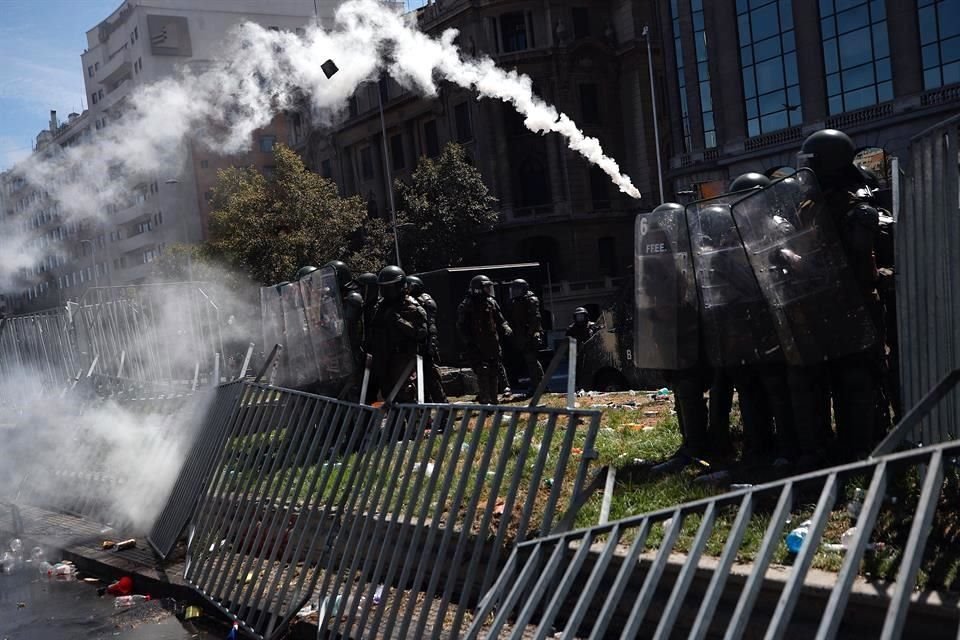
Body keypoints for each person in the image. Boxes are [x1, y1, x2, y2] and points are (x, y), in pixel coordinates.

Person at [794, 128, 882, 466]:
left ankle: (862, 445)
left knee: (856, 379)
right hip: (820, 304)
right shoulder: (809, 205)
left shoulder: (856, 204)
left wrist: (863, 224)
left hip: (854, 303)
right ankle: (824, 446)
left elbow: (857, 253)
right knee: (820, 379)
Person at [365, 265, 427, 403]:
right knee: (387, 396)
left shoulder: (411, 306)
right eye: (383, 288)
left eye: (389, 288)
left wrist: (399, 321)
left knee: (405, 395)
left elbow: (421, 333)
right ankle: (396, 424)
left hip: (402, 359)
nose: (385, 292)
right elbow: (373, 329)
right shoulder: (380, 307)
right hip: (382, 358)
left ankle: (414, 422)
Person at [457, 274, 513, 404]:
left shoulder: (491, 302)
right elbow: (461, 326)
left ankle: (494, 401)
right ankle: (485, 400)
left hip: (492, 343)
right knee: (483, 372)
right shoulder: (467, 305)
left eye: (489, 287)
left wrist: (506, 326)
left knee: (494, 372)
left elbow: (500, 319)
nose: (489, 290)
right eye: (486, 287)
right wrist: (469, 342)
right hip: (477, 345)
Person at [406, 275, 448, 403]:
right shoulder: (408, 301)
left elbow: (431, 326)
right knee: (420, 386)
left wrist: (430, 346)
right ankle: (427, 417)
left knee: (433, 383)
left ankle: (445, 416)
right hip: (414, 348)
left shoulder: (425, 301)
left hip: (426, 348)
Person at [508, 278, 545, 394]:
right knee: (530, 361)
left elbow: (535, 319)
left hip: (531, 335)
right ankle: (539, 385)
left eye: (517, 289)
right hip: (522, 335)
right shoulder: (516, 301)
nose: (514, 292)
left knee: (532, 361)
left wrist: (529, 334)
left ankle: (538, 386)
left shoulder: (531, 300)